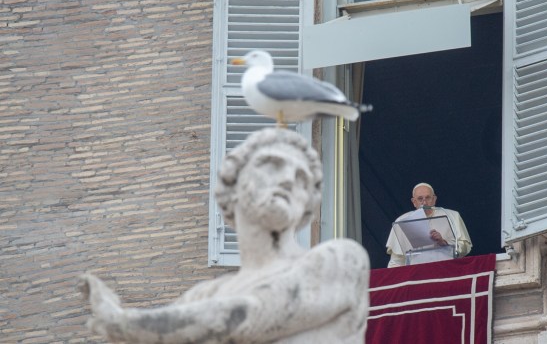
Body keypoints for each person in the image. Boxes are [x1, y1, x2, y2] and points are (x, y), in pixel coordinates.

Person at [79, 128, 370, 343]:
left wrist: (127, 323)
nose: (287, 180)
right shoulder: (202, 296)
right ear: (233, 184)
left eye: (302, 179)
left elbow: (252, 314)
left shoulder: (341, 261)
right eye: (271, 165)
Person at [386, 182, 472, 268]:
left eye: (428, 198)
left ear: (434, 199)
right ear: (414, 202)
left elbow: (465, 247)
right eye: (420, 199)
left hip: (446, 268)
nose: (424, 202)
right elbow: (397, 260)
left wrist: (443, 243)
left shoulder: (452, 216)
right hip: (415, 273)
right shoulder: (402, 221)